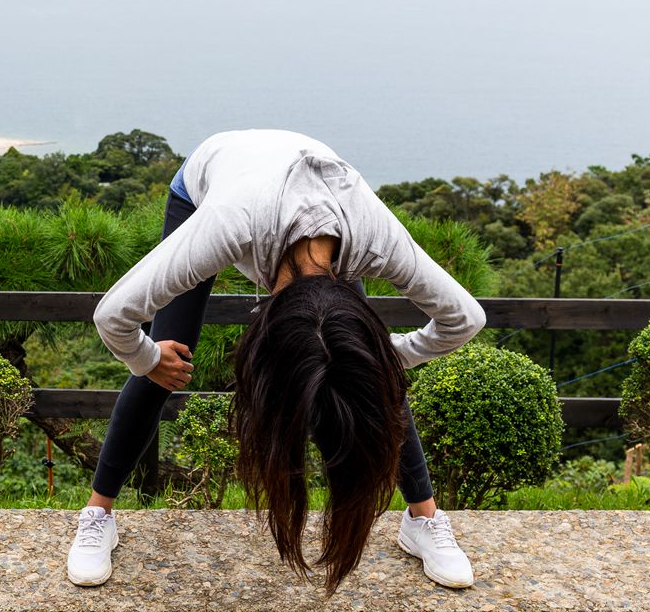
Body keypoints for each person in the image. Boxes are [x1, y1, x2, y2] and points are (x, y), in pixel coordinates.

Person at [65, 129, 486, 593]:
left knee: (369, 377)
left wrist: (387, 356)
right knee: (170, 355)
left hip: (323, 201)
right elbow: (113, 315)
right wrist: (147, 359)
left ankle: (423, 520)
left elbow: (465, 318)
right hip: (216, 178)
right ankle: (98, 514)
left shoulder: (373, 237)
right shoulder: (226, 225)